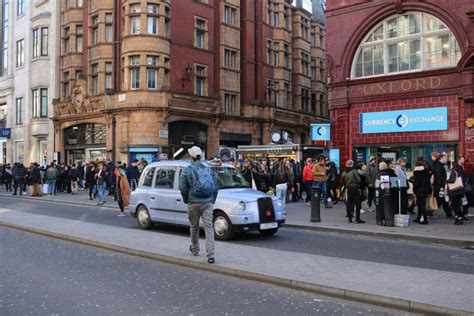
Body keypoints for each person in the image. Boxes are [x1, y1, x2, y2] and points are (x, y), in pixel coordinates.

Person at [179, 146, 218, 264]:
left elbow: (182, 187)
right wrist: (212, 200)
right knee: (209, 228)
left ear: (190, 157)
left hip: (193, 202)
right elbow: (215, 187)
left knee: (194, 227)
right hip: (207, 203)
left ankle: (195, 249)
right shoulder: (208, 169)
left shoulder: (186, 170)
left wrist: (187, 199)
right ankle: (210, 255)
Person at [413, 160, 432, 225]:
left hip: (419, 190)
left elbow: (416, 183)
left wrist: (414, 190)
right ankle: (419, 218)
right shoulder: (426, 171)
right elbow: (428, 182)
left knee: (421, 205)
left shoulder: (416, 172)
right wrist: (430, 190)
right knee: (422, 204)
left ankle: (425, 219)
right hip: (426, 190)